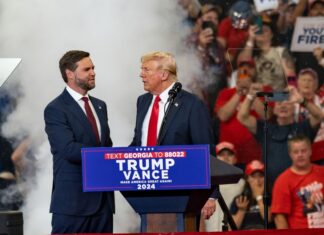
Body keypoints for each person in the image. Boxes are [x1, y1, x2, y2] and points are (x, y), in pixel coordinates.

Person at [130, 51, 216, 231]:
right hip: (146, 190)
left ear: (163, 74)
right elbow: (139, 143)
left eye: (146, 70)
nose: (141, 74)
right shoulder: (142, 102)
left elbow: (206, 151)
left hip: (182, 194)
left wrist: (211, 195)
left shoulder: (192, 104)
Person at [44, 50, 114, 234]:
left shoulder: (100, 105)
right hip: (72, 206)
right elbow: (68, 149)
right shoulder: (55, 109)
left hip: (103, 204)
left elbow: (107, 145)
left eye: (93, 68)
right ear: (70, 74)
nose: (93, 72)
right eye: (86, 69)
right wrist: (108, 157)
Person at [237, 83, 322, 189]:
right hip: (270, 187)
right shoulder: (265, 128)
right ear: (274, 109)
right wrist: (250, 96)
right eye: (279, 103)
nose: (283, 105)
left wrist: (302, 101)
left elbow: (319, 116)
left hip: (300, 186)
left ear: (294, 108)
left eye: (287, 103)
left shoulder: (303, 127)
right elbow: (242, 117)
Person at [214, 60, 265, 168]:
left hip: (254, 154)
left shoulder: (263, 92)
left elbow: (266, 116)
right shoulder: (226, 93)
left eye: (248, 70)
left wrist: (251, 92)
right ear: (236, 77)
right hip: (228, 154)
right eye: (241, 71)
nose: (245, 72)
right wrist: (239, 92)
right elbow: (223, 116)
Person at [272, 135, 324, 229]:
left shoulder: (322, 172)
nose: (300, 155)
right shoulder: (283, 180)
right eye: (296, 152)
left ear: (310, 151)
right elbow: (279, 217)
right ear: (290, 154)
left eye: (303, 151)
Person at [203, 141, 245, 231]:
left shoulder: (242, 184)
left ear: (235, 159)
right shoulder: (205, 183)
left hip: (232, 229)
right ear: (215, 158)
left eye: (229, 154)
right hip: (207, 231)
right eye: (221, 154)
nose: (226, 157)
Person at [230, 160, 274, 230]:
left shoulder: (272, 197)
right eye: (253, 176)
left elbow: (268, 219)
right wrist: (241, 210)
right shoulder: (240, 199)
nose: (258, 180)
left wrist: (259, 197)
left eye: (261, 176)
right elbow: (232, 228)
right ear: (247, 179)